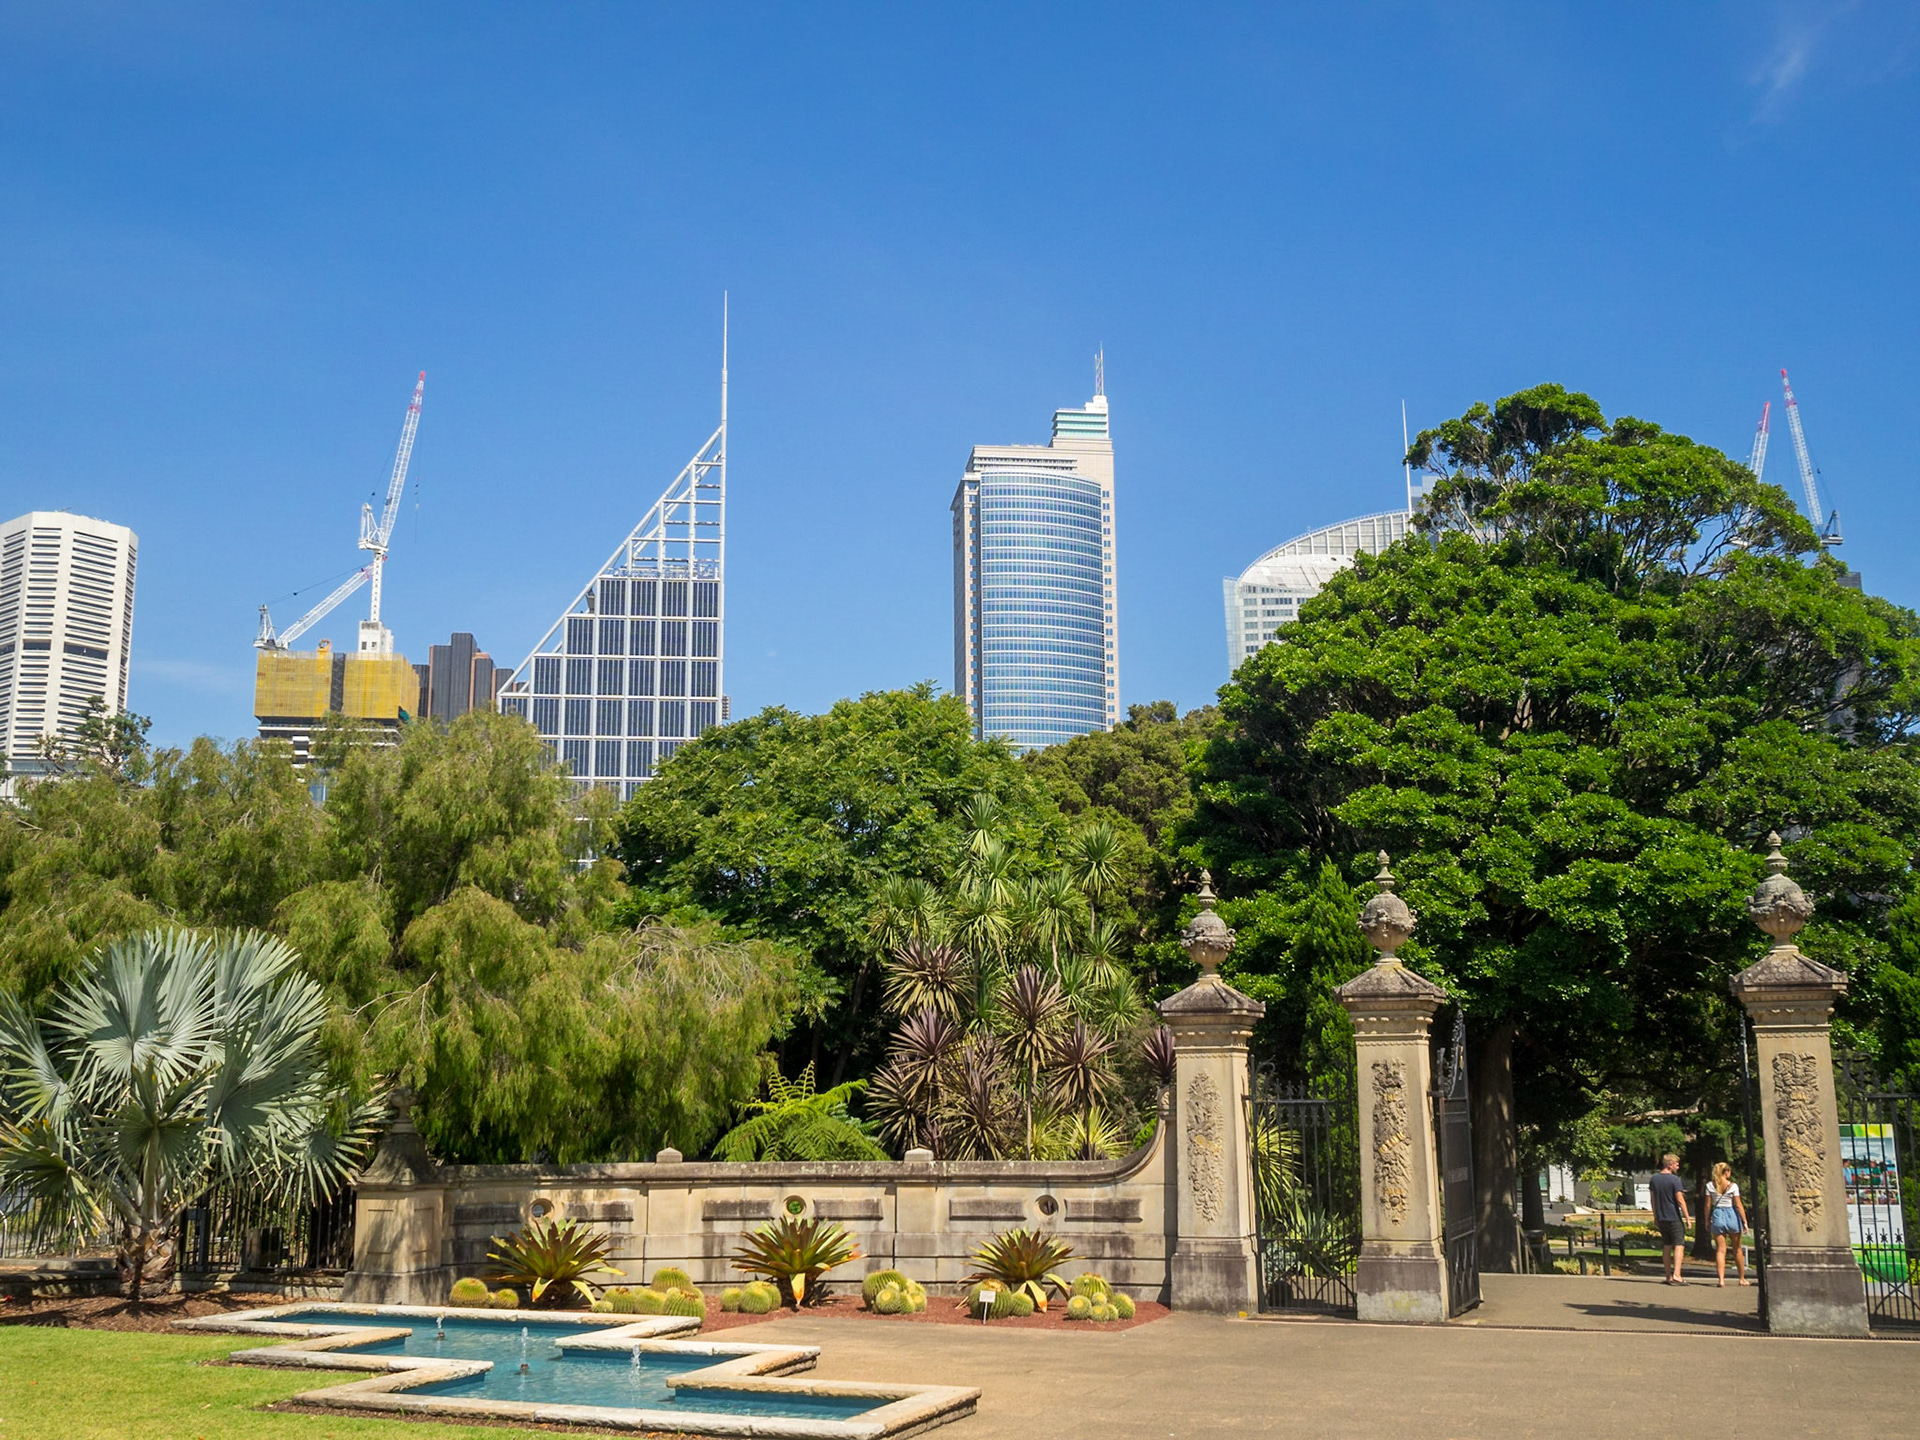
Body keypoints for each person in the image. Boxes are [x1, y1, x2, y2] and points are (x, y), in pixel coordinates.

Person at [1650, 1153, 1692, 1285]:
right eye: (1676, 1164)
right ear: (1670, 1164)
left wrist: (1655, 1216)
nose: (1678, 1166)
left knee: (1667, 1245)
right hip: (1673, 1217)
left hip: (1661, 1217)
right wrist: (1687, 1218)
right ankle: (1677, 1274)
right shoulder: (1675, 1180)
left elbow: (1652, 1200)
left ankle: (1668, 1275)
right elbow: (1680, 1200)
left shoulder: (1654, 1179)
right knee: (1679, 1245)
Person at [1708, 1161, 1750, 1287]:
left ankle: (1721, 1279)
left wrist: (1706, 1220)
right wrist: (1744, 1221)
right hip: (1731, 1215)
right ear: (1726, 1172)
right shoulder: (1733, 1186)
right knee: (1737, 1249)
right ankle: (1741, 1278)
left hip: (1717, 1214)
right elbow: (1738, 1205)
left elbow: (1707, 1205)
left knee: (1720, 1250)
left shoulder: (1710, 1185)